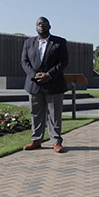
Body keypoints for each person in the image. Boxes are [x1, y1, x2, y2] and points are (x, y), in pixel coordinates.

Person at [21, 17, 69, 153]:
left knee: (54, 114)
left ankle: (56, 141)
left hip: (54, 84)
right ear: (36, 27)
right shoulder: (28, 43)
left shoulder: (59, 42)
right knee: (36, 113)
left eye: (44, 23)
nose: (41, 25)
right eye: (38, 23)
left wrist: (49, 75)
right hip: (34, 84)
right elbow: (24, 62)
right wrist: (33, 74)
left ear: (49, 26)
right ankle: (36, 140)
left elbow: (63, 62)